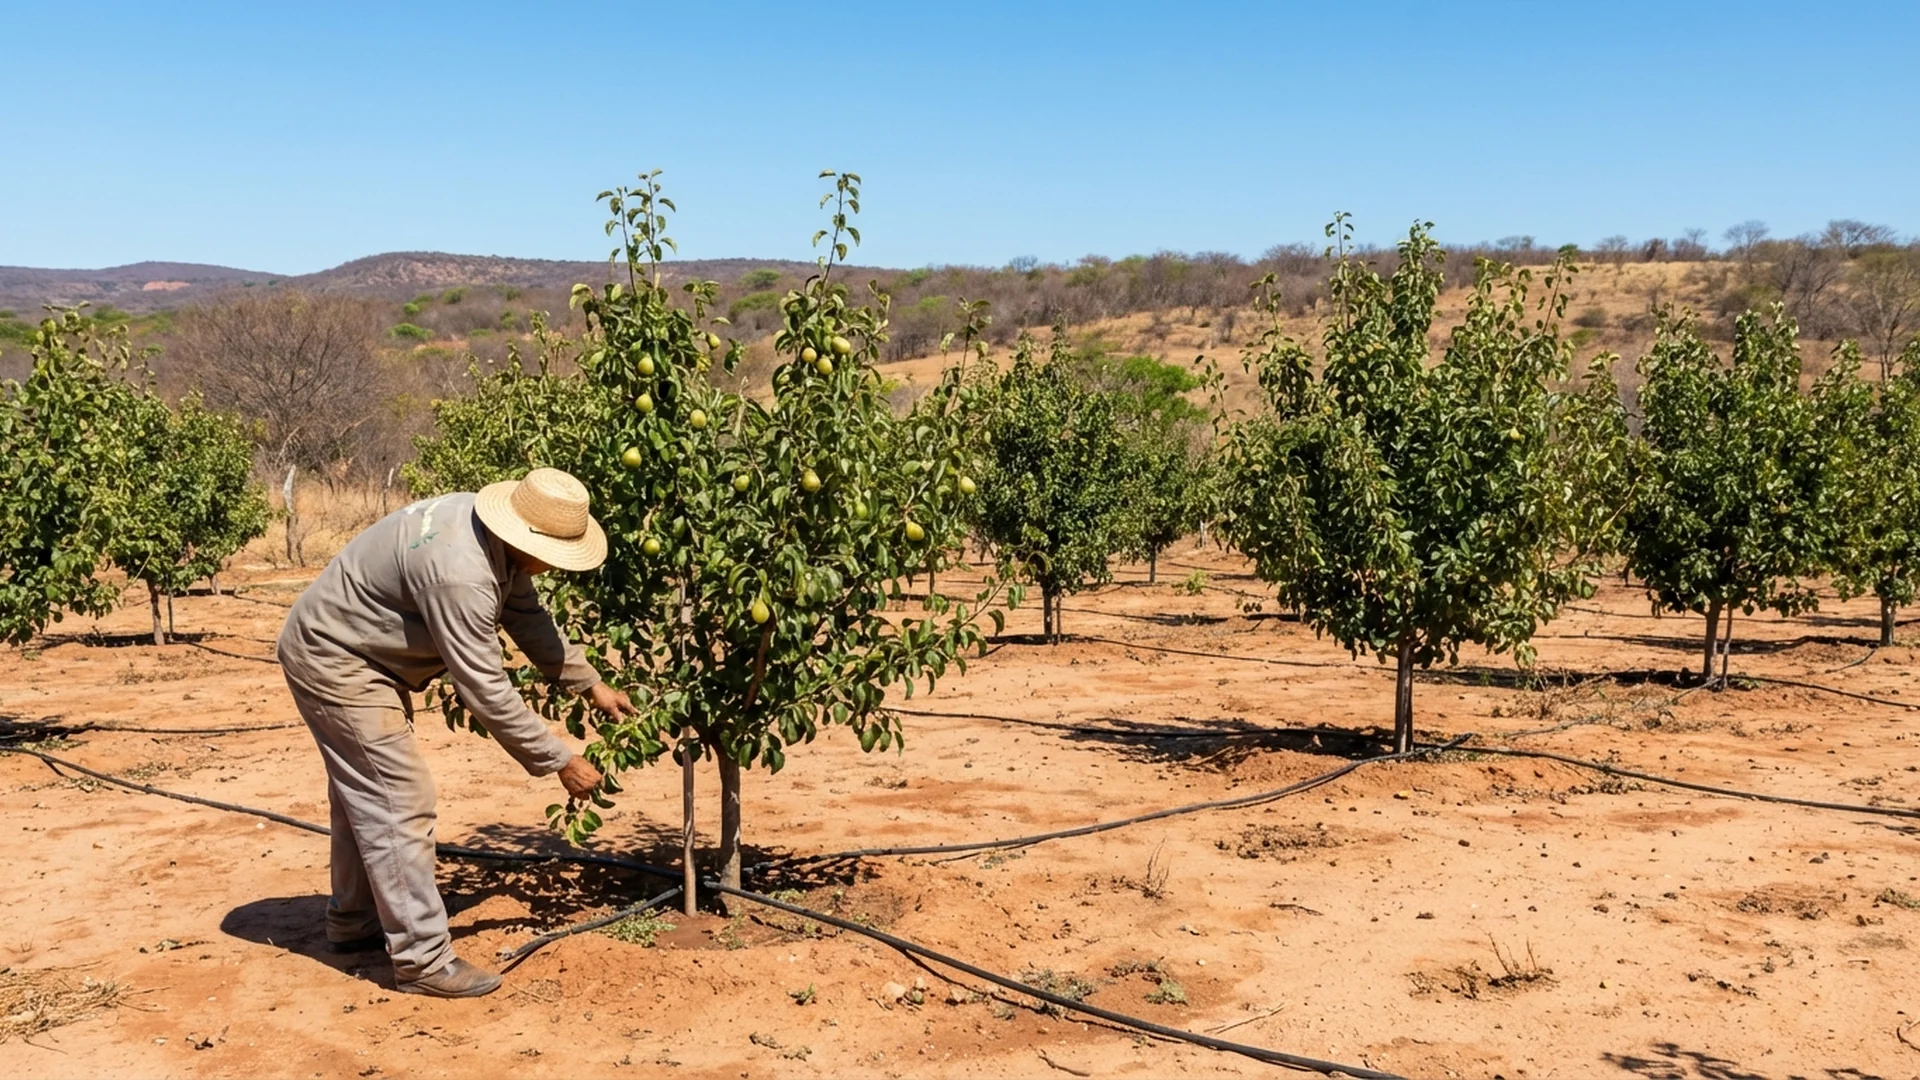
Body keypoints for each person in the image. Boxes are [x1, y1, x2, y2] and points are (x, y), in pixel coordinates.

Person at [276, 468, 636, 998]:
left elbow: (526, 614)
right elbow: (485, 687)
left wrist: (590, 685)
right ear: (525, 536)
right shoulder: (460, 573)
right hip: (337, 659)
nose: (555, 569)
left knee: (366, 795)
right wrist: (559, 759)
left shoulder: (487, 531)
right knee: (398, 799)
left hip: (358, 654)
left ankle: (353, 920)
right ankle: (422, 960)